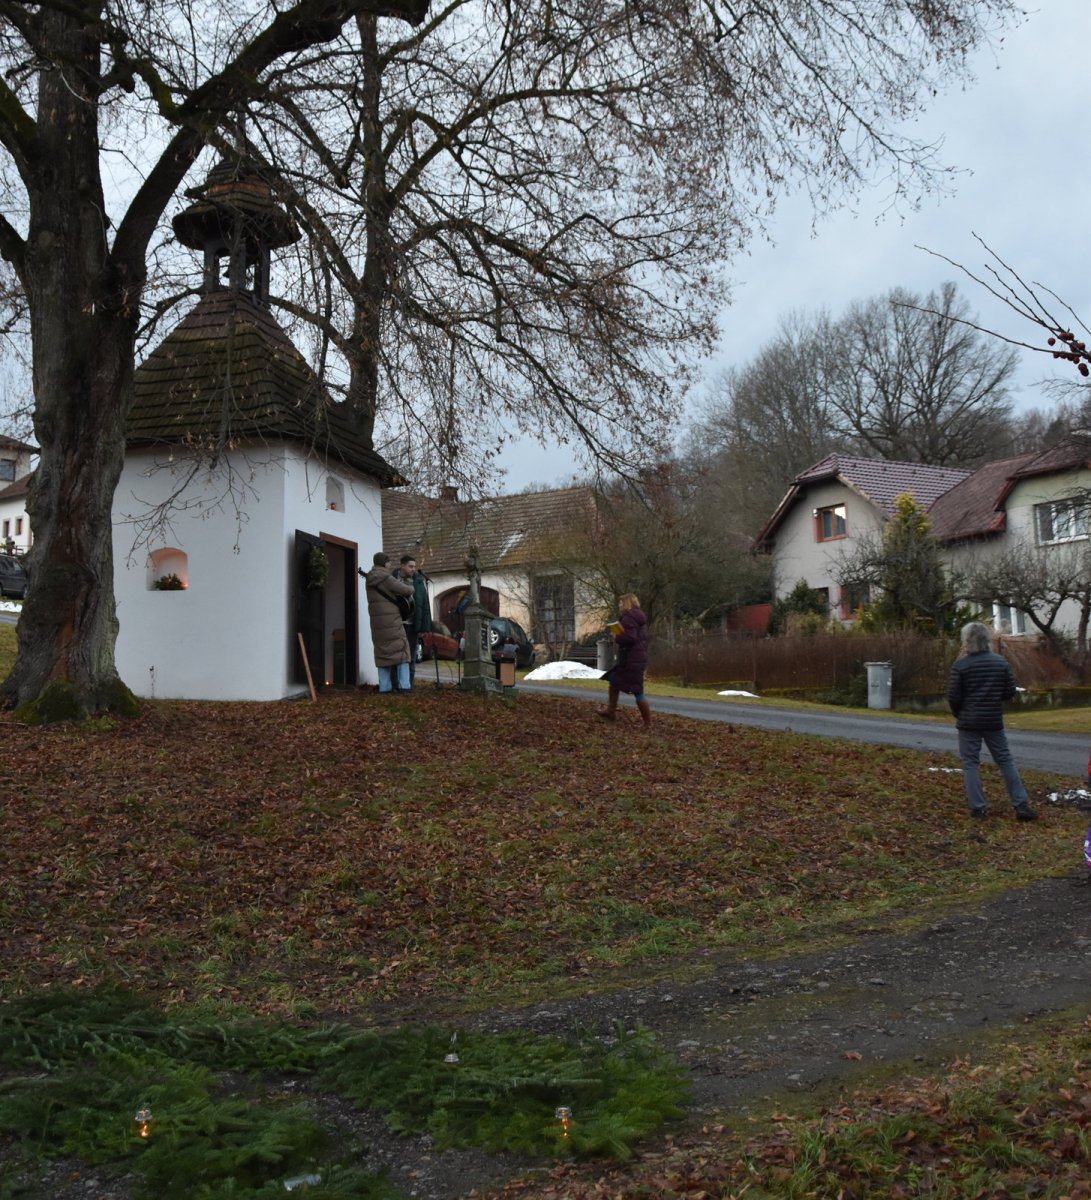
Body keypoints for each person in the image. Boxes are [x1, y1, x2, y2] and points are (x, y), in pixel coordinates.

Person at [947, 620, 1036, 821]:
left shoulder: (961, 665)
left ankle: (978, 808)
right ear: (987, 639)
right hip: (993, 720)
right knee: (1005, 760)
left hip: (968, 721)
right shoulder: (1000, 662)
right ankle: (1021, 804)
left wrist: (959, 713)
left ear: (966, 641)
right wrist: (993, 700)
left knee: (970, 763)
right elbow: (1009, 691)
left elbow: (953, 696)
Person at [597, 592, 651, 728]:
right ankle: (611, 711)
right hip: (636, 658)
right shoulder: (638, 616)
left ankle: (647, 723)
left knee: (637, 692)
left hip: (630, 660)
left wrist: (616, 636)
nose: (619, 605)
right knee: (614, 681)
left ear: (627, 603)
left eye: (621, 603)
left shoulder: (628, 617)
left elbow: (630, 638)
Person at [364, 552, 414, 693]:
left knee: (382, 653)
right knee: (402, 651)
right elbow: (407, 590)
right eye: (389, 561)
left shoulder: (370, 579)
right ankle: (404, 686)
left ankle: (385, 688)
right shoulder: (386, 577)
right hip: (392, 622)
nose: (390, 564)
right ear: (384, 563)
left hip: (377, 624)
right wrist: (410, 584)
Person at [394, 554, 431, 684]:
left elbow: (425, 604)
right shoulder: (393, 579)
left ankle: (409, 684)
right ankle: (396, 683)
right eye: (410, 566)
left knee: (411, 655)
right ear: (402, 566)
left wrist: (425, 626)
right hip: (397, 624)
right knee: (397, 654)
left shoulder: (419, 581)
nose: (413, 569)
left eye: (414, 566)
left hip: (412, 625)